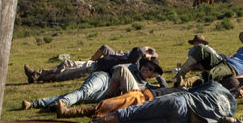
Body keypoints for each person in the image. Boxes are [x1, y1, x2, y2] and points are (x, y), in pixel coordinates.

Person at [82, 81, 237, 123]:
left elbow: (191, 90)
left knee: (132, 112)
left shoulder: (216, 85)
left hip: (181, 103)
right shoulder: (232, 108)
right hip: (185, 121)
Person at [22, 58, 164, 113]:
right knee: (83, 92)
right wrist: (112, 90)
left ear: (153, 75)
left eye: (150, 69)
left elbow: (163, 90)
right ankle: (62, 103)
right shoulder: (132, 67)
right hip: (104, 79)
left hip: (108, 96)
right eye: (145, 65)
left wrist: (160, 77)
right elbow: (117, 69)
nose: (145, 68)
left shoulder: (146, 86)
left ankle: (34, 103)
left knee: (80, 97)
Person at [173, 31, 243, 87]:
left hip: (232, 69)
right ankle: (180, 74)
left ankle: (185, 83)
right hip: (224, 62)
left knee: (212, 73)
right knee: (201, 48)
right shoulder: (240, 50)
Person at [23, 45, 158, 83]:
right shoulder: (132, 58)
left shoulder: (135, 63)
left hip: (93, 69)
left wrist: (148, 53)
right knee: (66, 64)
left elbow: (139, 50)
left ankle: (37, 76)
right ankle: (36, 74)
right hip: (94, 64)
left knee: (62, 74)